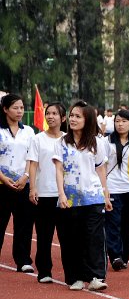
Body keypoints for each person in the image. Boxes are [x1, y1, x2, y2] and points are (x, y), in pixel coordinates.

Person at [53, 101, 113, 291]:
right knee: (71, 239)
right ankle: (75, 276)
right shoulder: (61, 143)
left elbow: (101, 169)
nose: (73, 119)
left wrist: (105, 194)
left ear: (88, 120)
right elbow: (59, 170)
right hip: (69, 199)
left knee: (95, 238)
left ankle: (96, 276)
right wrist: (61, 194)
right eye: (71, 115)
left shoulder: (96, 143)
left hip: (93, 197)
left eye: (78, 116)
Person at [27, 102, 67, 283]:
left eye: (55, 114)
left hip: (65, 195)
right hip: (44, 193)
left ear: (63, 118)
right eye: (48, 113)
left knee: (67, 236)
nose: (50, 116)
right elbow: (33, 164)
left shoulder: (68, 139)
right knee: (44, 235)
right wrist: (33, 188)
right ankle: (44, 271)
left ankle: (71, 274)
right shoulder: (38, 139)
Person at [103, 109, 129, 271]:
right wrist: (104, 188)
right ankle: (115, 256)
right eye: (117, 121)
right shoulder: (107, 142)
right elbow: (102, 166)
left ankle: (124, 255)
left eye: (123, 121)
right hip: (113, 189)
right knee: (113, 223)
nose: (120, 124)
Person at [0, 93, 36, 273]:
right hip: (1, 185)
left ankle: (23, 260)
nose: (20, 111)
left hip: (22, 184)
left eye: (22, 107)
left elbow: (31, 156)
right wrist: (2, 177)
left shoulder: (28, 131)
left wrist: (26, 176)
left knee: (24, 223)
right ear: (5, 109)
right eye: (15, 107)